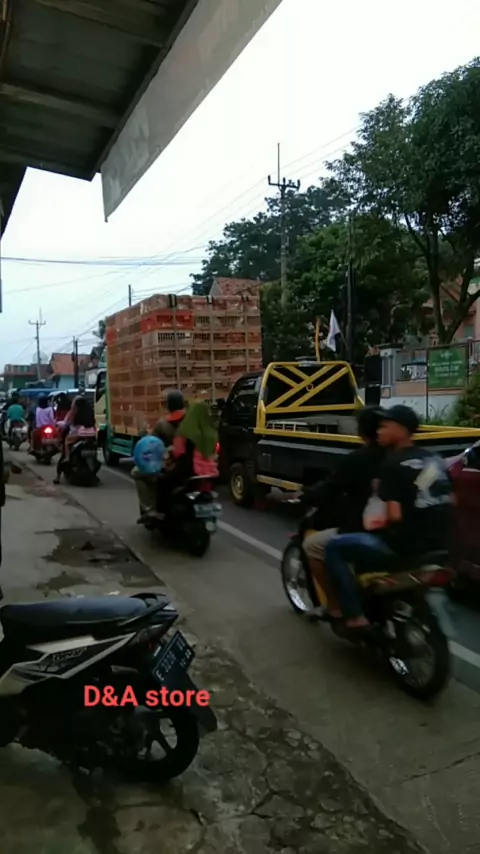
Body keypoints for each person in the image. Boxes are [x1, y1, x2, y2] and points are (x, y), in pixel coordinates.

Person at [324, 405, 454, 631]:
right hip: (439, 543)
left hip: (403, 546)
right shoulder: (432, 459)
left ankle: (354, 615)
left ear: (401, 429)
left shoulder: (392, 465)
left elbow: (394, 515)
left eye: (385, 426)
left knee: (334, 547)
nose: (379, 432)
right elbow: (434, 494)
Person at [302, 407, 386, 617]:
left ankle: (336, 606)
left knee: (312, 546)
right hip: (402, 530)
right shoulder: (403, 456)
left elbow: (331, 488)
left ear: (362, 431)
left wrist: (306, 495)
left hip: (367, 530)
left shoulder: (358, 459)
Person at [153, 401, 218, 516]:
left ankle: (161, 513)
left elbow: (177, 453)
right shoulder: (212, 433)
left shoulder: (185, 431)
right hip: (210, 474)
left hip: (188, 471)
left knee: (162, 480)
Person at [133, 391, 186, 516]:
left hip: (172, 465)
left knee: (136, 472)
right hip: (194, 465)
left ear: (168, 405)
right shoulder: (193, 421)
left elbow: (152, 444)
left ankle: (149, 507)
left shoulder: (163, 424)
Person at [54, 396, 96, 484]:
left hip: (77, 435)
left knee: (65, 447)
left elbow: (65, 424)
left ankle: (58, 475)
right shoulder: (89, 413)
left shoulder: (73, 413)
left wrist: (56, 423)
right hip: (90, 436)